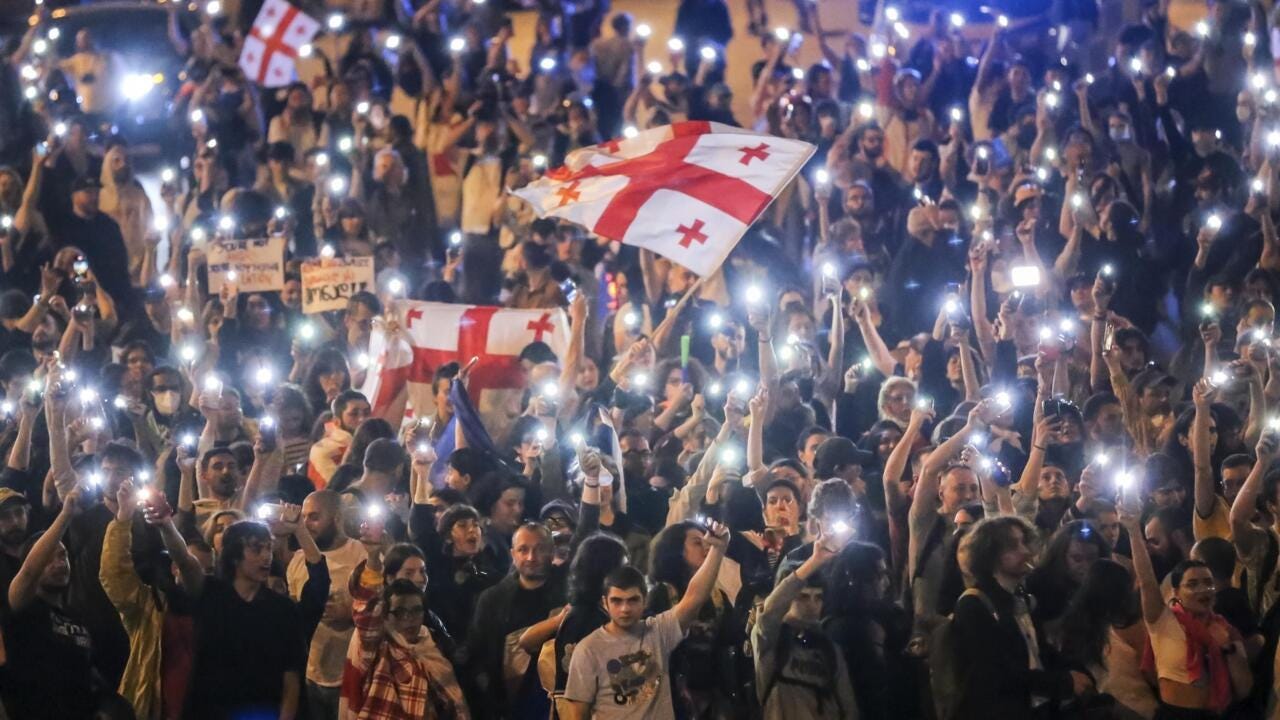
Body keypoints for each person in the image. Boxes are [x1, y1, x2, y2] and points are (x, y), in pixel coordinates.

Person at [561, 517, 729, 719]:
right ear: (605, 603)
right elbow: (576, 714)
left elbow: (695, 597)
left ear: (644, 601)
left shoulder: (659, 632)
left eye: (632, 600)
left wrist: (718, 550)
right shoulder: (588, 649)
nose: (625, 609)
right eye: (617, 601)